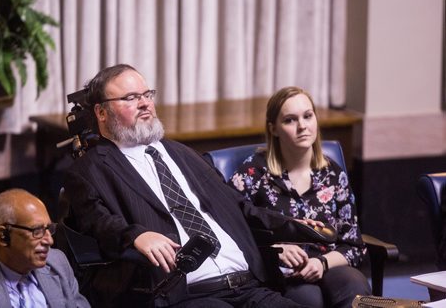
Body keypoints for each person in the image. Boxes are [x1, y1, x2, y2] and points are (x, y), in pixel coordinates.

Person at [62, 64, 307, 307]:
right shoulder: (90, 169)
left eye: (147, 95)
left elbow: (238, 206)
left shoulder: (183, 153)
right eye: (131, 98)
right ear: (101, 113)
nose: (145, 103)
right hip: (186, 294)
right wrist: (136, 235)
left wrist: (291, 225)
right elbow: (96, 222)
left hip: (248, 284)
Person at [228, 86, 371, 308]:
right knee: (307, 299)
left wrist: (321, 262)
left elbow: (353, 245)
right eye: (290, 120)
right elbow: (230, 226)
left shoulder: (333, 174)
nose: (302, 126)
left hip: (327, 264)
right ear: (274, 129)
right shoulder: (253, 172)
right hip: (278, 271)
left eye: (308, 116)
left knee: (355, 289)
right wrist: (276, 250)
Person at [0, 188, 90, 308]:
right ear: (3, 236)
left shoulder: (58, 261)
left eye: (49, 228)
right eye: (37, 231)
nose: (49, 241)